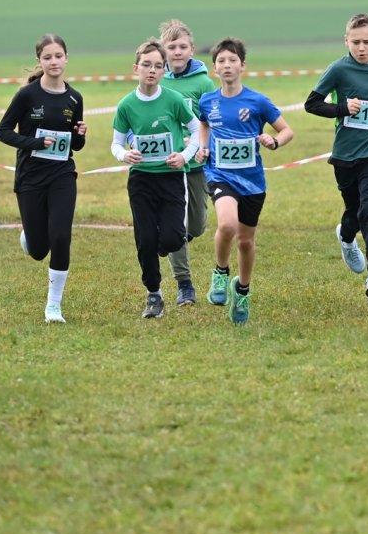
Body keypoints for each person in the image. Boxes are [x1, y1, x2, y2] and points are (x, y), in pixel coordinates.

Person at [304, 13, 368, 307]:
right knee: (354, 211)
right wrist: (342, 108)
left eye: (366, 42)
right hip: (345, 155)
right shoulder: (338, 69)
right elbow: (311, 104)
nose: (361, 48)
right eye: (355, 42)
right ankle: (346, 237)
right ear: (346, 41)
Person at [195, 38, 293, 325]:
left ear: (242, 65)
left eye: (232, 60)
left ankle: (242, 291)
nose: (227, 65)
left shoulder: (257, 101)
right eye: (221, 61)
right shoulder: (208, 101)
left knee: (246, 241)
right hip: (220, 175)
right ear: (214, 69)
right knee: (227, 225)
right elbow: (203, 122)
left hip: (252, 182)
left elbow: (287, 130)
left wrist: (274, 141)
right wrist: (204, 147)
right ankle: (220, 272)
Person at [0, 34, 87, 324]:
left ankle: (53, 306)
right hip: (31, 176)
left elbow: (75, 145)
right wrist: (34, 143)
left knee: (60, 237)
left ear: (66, 58)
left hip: (62, 174)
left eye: (58, 56)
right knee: (38, 250)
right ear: (40, 61)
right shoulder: (27, 96)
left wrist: (80, 135)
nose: (54, 61)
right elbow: (2, 131)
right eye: (47, 57)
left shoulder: (75, 98)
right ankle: (30, 235)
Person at [111, 40, 200, 319]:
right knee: (145, 239)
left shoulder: (173, 100)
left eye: (158, 66)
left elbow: (197, 131)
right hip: (141, 181)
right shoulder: (126, 105)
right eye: (146, 65)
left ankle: (164, 250)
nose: (151, 70)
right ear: (135, 68)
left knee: (172, 239)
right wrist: (125, 155)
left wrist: (184, 156)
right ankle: (154, 294)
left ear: (163, 71)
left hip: (172, 178)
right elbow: (115, 144)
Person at [159, 19, 215, 307]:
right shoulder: (158, 80)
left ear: (192, 50)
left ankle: (170, 239)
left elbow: (211, 120)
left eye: (182, 47)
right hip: (169, 166)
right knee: (177, 225)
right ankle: (185, 285)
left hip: (196, 165)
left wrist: (205, 147)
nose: (177, 52)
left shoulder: (203, 83)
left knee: (197, 226)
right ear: (164, 51)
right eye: (172, 47)